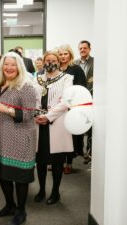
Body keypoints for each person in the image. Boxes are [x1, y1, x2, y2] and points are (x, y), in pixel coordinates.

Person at [0, 52, 37, 225]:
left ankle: (21, 211)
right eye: (6, 64)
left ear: (19, 66)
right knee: (3, 175)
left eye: (13, 65)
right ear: (1, 66)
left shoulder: (26, 86)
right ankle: (10, 205)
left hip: (19, 138)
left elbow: (28, 114)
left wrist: (7, 110)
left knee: (19, 177)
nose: (9, 68)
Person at [33, 50, 73, 205]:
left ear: (59, 61)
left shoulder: (67, 78)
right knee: (41, 161)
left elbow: (65, 102)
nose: (50, 62)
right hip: (39, 124)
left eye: (53, 60)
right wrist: (37, 114)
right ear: (43, 62)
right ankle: (42, 190)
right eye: (47, 60)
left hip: (56, 124)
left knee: (57, 162)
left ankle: (55, 192)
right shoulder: (36, 79)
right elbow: (33, 98)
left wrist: (48, 116)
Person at [58, 44, 87, 174]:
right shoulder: (56, 68)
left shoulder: (76, 69)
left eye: (65, 54)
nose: (63, 56)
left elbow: (81, 89)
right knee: (58, 135)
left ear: (70, 54)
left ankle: (68, 163)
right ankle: (57, 162)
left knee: (69, 136)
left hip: (71, 107)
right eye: (61, 54)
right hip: (57, 107)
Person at [74, 40, 94, 165]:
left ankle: (89, 152)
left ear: (89, 49)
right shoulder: (75, 63)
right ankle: (79, 150)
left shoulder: (95, 62)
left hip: (91, 97)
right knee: (78, 123)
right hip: (77, 98)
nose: (82, 50)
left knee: (90, 125)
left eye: (85, 48)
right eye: (80, 48)